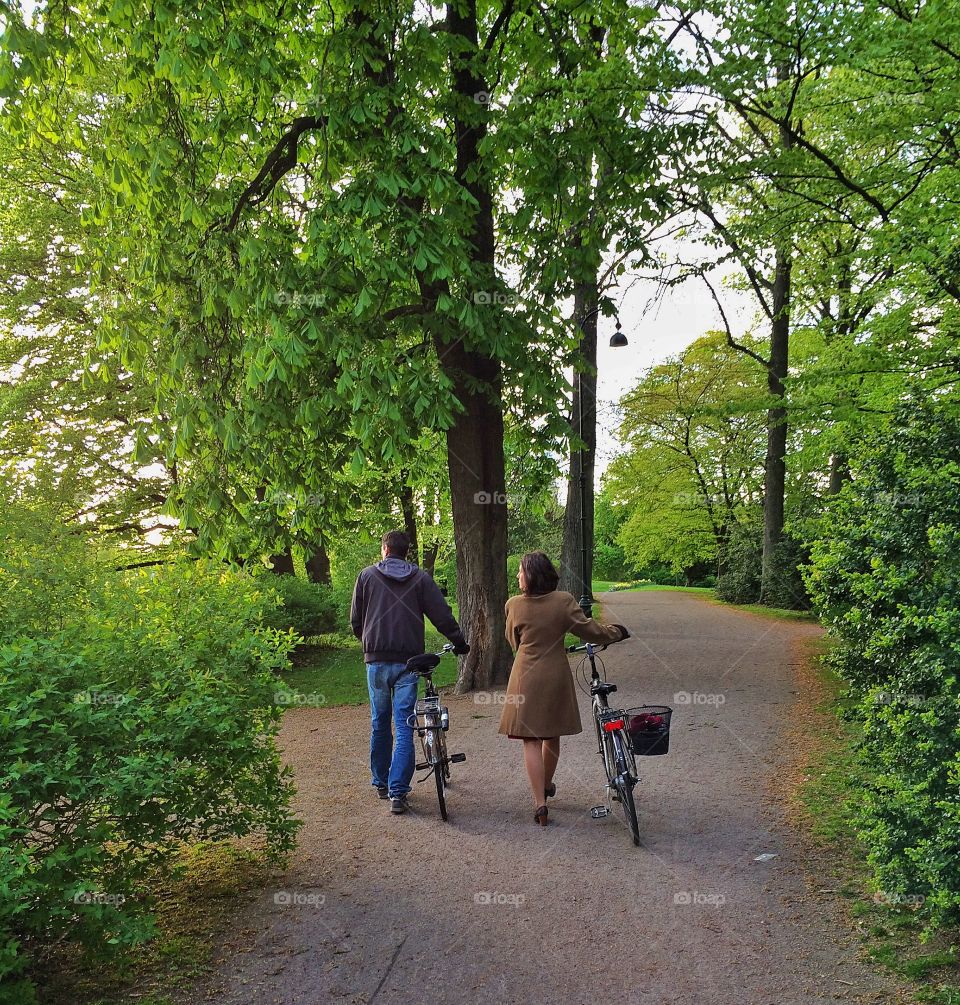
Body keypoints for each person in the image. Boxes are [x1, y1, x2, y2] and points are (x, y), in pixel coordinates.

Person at [498, 551, 629, 826]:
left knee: (530, 740)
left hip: (525, 676)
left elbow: (513, 641)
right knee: (551, 735)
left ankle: (540, 803)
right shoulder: (563, 601)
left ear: (531, 575)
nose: (518, 576)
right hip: (555, 674)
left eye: (521, 571)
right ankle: (546, 785)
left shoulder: (513, 605)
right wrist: (616, 632)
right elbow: (590, 631)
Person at [351, 530, 469, 815]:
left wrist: (369, 642)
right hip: (408, 662)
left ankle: (380, 782)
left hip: (376, 662)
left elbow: (356, 619)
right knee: (405, 725)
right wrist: (459, 642)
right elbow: (441, 614)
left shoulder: (366, 576)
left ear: (385, 549)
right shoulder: (420, 578)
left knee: (379, 721)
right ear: (407, 552)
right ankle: (398, 793)